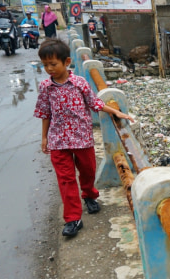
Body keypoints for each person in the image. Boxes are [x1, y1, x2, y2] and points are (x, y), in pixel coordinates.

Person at [33, 39, 134, 237]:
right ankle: (72, 218)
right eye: (45, 65)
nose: (49, 69)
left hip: (82, 138)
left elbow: (94, 102)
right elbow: (45, 113)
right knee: (66, 179)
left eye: (53, 64)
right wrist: (44, 137)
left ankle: (89, 195)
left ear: (67, 61)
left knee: (88, 171)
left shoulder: (79, 83)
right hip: (58, 141)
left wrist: (116, 112)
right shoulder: (46, 87)